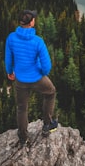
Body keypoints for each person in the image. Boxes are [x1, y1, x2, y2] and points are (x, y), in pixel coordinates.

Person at [4, 9, 58, 145]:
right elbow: (47, 66)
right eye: (34, 18)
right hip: (36, 78)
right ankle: (47, 125)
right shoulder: (38, 41)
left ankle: (23, 138)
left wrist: (10, 71)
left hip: (20, 79)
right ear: (31, 22)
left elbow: (8, 58)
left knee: (22, 108)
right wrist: (41, 72)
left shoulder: (11, 38)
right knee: (50, 92)